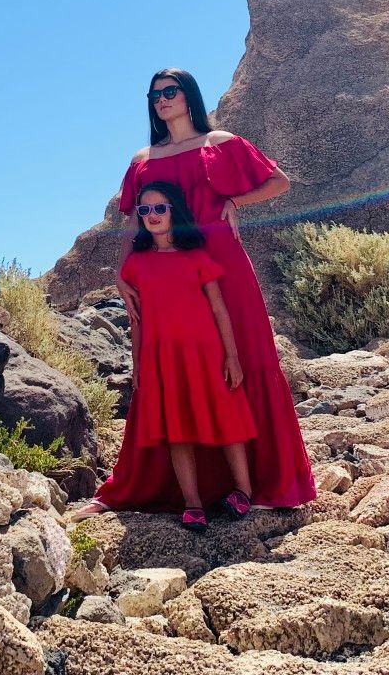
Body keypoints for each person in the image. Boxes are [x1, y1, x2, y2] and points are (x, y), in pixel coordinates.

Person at [80, 68, 317, 515]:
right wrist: (122, 273)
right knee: (170, 369)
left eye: (170, 91)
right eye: (155, 95)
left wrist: (234, 201)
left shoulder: (220, 142)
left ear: (189, 96)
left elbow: (279, 182)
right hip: (164, 278)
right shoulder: (143, 159)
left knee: (244, 360)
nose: (162, 99)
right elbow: (132, 221)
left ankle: (264, 485)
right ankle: (175, 492)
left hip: (225, 266)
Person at [118, 180, 256, 531]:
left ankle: (244, 490)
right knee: (176, 428)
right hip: (162, 357)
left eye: (159, 208)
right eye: (145, 210)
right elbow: (136, 321)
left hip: (207, 353)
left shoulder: (197, 256)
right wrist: (137, 363)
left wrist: (232, 356)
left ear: (173, 211)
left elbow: (220, 309)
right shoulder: (135, 265)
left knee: (226, 418)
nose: (152, 215)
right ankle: (192, 503)